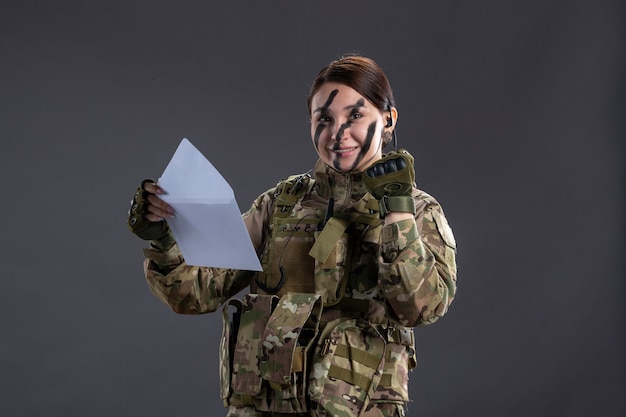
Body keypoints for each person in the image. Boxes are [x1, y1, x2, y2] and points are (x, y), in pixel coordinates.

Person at [127, 54, 457, 417]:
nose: (339, 133)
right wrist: (164, 239)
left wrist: (396, 212)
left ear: (388, 120)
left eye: (356, 116)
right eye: (324, 119)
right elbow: (196, 293)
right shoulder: (280, 205)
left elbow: (422, 307)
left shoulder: (417, 211)